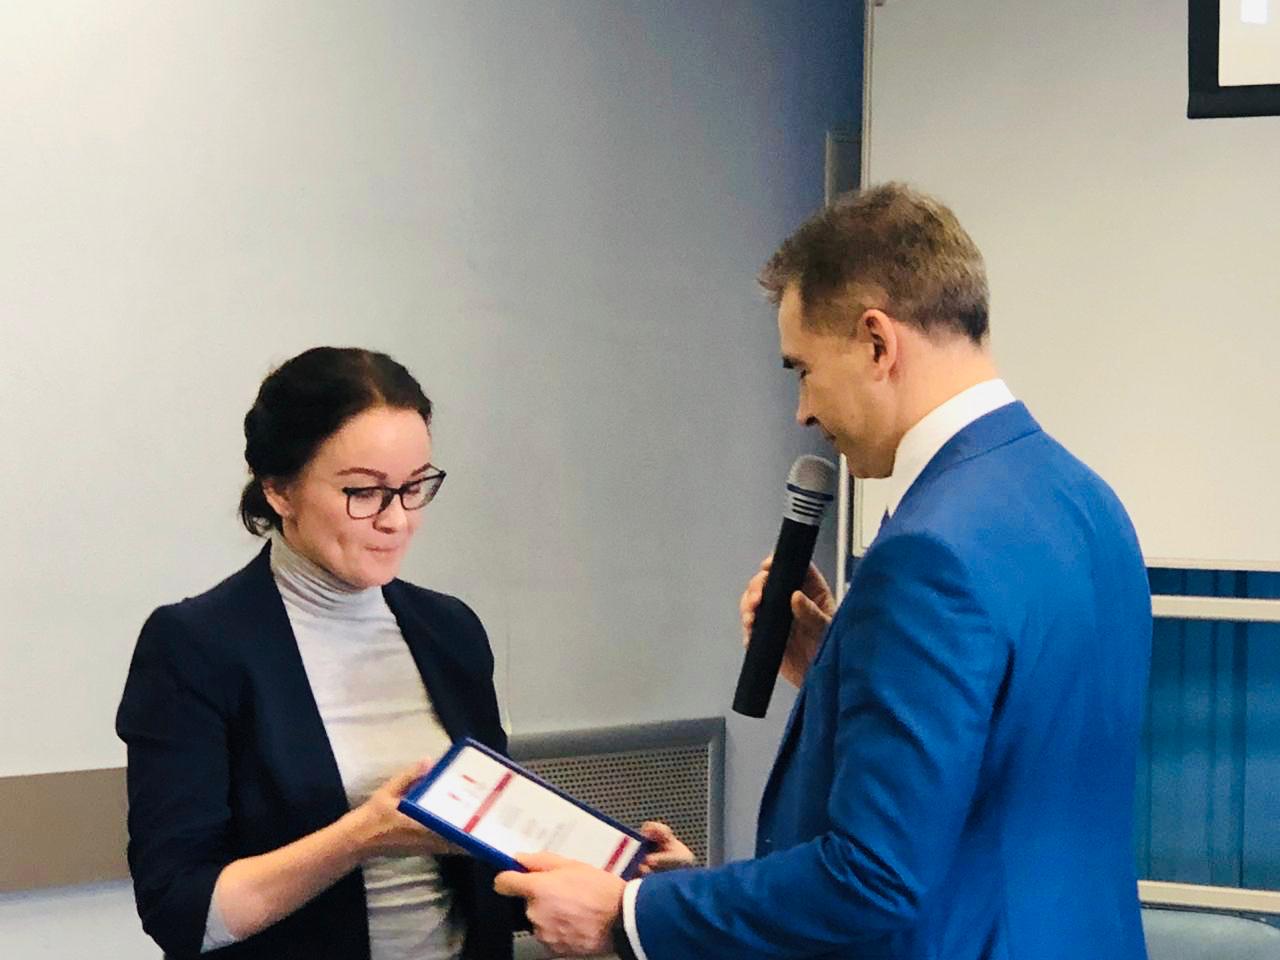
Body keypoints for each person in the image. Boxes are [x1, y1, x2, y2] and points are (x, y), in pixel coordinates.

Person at [493, 184, 1154, 959]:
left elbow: (874, 876)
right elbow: (1005, 761)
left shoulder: (928, 552)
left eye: (801, 369)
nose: (802, 411)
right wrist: (841, 671)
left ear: (877, 343)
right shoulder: (1086, 501)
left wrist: (629, 913)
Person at [116, 347, 515, 960]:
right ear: (279, 490)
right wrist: (361, 837)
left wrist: (629, 881)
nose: (397, 520)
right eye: (364, 492)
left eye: (414, 487)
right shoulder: (195, 647)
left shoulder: (450, 630)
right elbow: (182, 911)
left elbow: (490, 855)